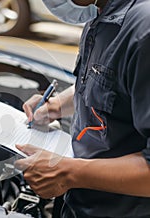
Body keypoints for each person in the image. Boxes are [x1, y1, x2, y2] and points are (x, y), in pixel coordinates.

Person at [14, 0, 150, 217]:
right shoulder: (102, 12)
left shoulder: (144, 29)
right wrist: (57, 105)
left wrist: (68, 172)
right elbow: (108, 80)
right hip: (80, 202)